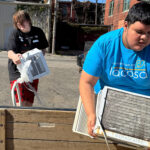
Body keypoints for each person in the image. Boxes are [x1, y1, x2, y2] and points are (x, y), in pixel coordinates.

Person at [79, 1, 150, 138]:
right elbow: (86, 82)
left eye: (149, 33)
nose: (145, 38)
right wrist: (91, 114)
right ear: (125, 25)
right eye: (139, 32)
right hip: (108, 105)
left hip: (144, 109)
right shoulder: (104, 44)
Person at [7, 10, 48, 107]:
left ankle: (27, 120)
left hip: (33, 70)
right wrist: (14, 57)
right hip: (17, 71)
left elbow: (43, 49)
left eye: (22, 21)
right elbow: (10, 52)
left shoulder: (38, 32)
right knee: (20, 101)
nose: (20, 24)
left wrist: (38, 54)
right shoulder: (15, 33)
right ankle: (20, 120)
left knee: (29, 101)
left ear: (28, 20)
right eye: (17, 22)